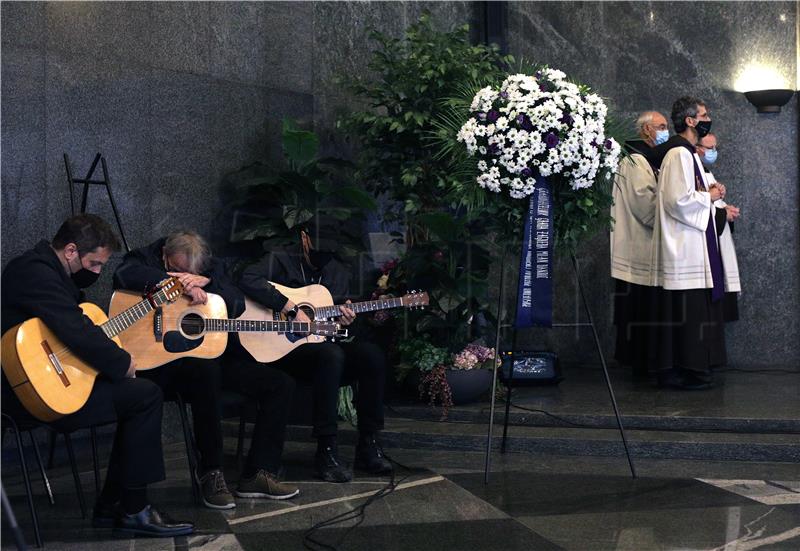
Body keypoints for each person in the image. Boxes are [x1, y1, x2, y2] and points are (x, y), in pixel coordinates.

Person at [1, 214, 193, 537]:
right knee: (144, 396)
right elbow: (75, 330)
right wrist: (122, 362)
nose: (97, 272)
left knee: (139, 395)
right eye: (95, 263)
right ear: (72, 250)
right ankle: (131, 509)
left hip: (52, 384)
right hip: (25, 394)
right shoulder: (32, 271)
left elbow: (75, 328)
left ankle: (114, 506)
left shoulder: (52, 273)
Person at [113, 231, 298, 509]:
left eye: (191, 273)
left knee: (279, 383)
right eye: (177, 269)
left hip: (214, 356)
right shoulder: (144, 256)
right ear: (165, 254)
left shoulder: (213, 268)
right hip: (161, 363)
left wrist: (208, 283)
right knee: (206, 372)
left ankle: (258, 474)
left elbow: (235, 303)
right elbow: (124, 275)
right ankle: (211, 471)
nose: (185, 275)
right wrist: (175, 284)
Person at [237, 229, 391, 483]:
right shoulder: (281, 258)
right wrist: (288, 306)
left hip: (320, 351)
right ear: (305, 238)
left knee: (370, 355)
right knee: (330, 355)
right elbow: (247, 277)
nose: (323, 256)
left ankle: (368, 443)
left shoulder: (336, 271)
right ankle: (326, 448)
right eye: (318, 248)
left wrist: (347, 320)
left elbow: (337, 328)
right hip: (281, 352)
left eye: (329, 252)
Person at [650, 97, 727, 390]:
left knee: (690, 311)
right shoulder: (678, 154)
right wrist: (709, 197)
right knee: (686, 312)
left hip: (692, 245)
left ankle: (688, 367)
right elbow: (677, 200)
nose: (708, 118)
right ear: (691, 121)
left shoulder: (689, 154)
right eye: (704, 115)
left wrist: (708, 194)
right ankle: (684, 369)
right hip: (682, 247)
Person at [610, 111, 664, 379]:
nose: (666, 132)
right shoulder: (635, 160)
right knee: (638, 310)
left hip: (646, 249)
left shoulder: (649, 160)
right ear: (645, 130)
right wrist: (672, 216)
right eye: (661, 127)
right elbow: (644, 204)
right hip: (637, 249)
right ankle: (638, 364)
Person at [696, 133, 741, 321]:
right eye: (710, 148)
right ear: (697, 148)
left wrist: (725, 210)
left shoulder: (706, 172)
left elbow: (711, 203)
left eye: (715, 148)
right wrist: (723, 214)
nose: (713, 152)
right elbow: (692, 209)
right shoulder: (689, 171)